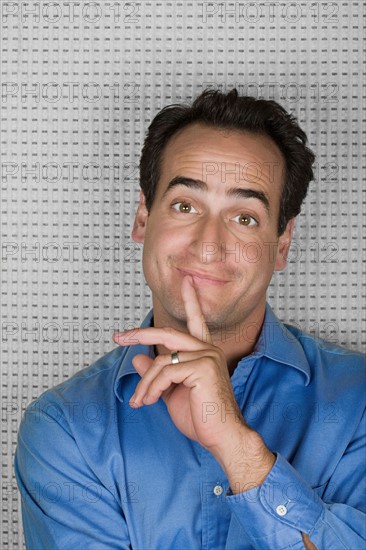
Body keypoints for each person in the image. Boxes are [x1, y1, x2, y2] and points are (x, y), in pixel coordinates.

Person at [15, 88, 365, 550]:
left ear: (282, 244)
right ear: (143, 216)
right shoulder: (66, 430)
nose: (207, 245)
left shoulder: (359, 404)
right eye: (185, 206)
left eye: (244, 217)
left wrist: (238, 448)